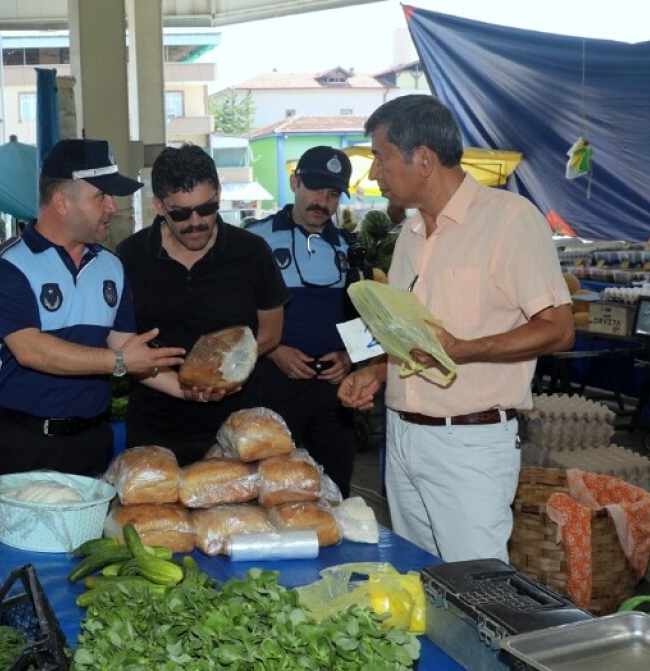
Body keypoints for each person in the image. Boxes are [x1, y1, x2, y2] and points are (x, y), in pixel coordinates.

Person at [338, 94, 573, 562]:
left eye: (381, 160)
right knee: (419, 573)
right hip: (402, 436)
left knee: (478, 584)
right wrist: (378, 370)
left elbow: (558, 328)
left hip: (468, 441)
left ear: (422, 158)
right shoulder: (410, 233)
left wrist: (466, 349)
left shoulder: (509, 219)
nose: (374, 175)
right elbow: (411, 331)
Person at [0, 138, 186, 517]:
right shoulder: (6, 265)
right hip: (22, 445)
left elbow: (126, 349)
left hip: (91, 446)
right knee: (13, 562)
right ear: (61, 202)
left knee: (85, 562)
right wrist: (120, 360)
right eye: (101, 196)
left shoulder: (111, 266)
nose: (112, 207)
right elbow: (31, 350)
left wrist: (190, 390)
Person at [115, 143, 288, 465]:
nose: (196, 222)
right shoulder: (129, 256)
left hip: (237, 425)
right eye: (181, 213)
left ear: (219, 195)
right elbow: (123, 343)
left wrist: (224, 375)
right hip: (155, 426)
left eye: (206, 209)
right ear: (158, 206)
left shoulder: (252, 251)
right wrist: (181, 382)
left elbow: (271, 333)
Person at [247, 146, 369, 496]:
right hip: (272, 386)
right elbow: (234, 314)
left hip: (335, 393)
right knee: (272, 488)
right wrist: (273, 351)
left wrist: (350, 358)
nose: (323, 202)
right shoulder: (255, 240)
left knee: (335, 492)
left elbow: (370, 321)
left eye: (332, 194)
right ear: (294, 182)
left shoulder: (350, 248)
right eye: (315, 188)